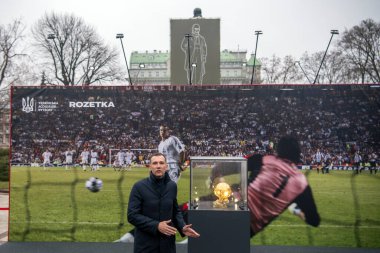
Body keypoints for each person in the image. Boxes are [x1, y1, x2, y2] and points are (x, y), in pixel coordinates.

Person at [116, 125, 188, 243]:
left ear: (168, 130)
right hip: (165, 169)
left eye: (164, 130)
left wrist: (180, 163)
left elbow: (182, 151)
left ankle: (166, 222)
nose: (162, 132)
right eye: (160, 130)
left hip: (173, 167)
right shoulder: (160, 144)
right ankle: (159, 220)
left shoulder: (173, 139)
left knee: (167, 192)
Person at [247, 136, 320, 236]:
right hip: (249, 228)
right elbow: (314, 221)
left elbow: (236, 166)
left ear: (279, 150)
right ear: (298, 154)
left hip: (234, 208)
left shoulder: (264, 160)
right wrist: (295, 210)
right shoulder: (301, 182)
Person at [127, 153, 199, 253]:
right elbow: (132, 215)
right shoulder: (139, 187)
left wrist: (182, 226)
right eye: (155, 163)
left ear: (166, 166)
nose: (158, 166)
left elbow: (175, 210)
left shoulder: (172, 186)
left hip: (167, 245)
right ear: (150, 167)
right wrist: (156, 225)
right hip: (146, 246)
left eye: (161, 163)